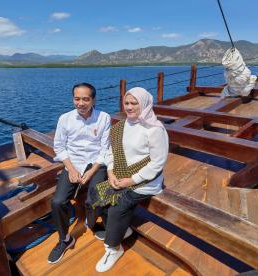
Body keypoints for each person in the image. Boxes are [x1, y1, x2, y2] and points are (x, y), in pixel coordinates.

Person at [92, 87, 169, 272]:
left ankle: (113, 248)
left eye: (134, 103)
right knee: (96, 194)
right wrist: (110, 172)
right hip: (120, 175)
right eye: (126, 103)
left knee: (118, 204)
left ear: (144, 104)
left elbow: (157, 164)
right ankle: (122, 230)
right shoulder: (120, 127)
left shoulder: (154, 130)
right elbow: (110, 152)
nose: (129, 107)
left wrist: (131, 180)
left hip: (146, 181)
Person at [48, 83, 111, 264]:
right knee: (58, 201)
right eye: (77, 99)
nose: (81, 103)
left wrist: (91, 172)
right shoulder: (65, 119)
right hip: (73, 163)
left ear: (93, 100)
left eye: (86, 99)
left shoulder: (103, 118)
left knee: (94, 199)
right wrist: (71, 168)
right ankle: (65, 240)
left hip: (95, 164)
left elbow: (104, 149)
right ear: (73, 99)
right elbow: (59, 147)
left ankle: (92, 224)